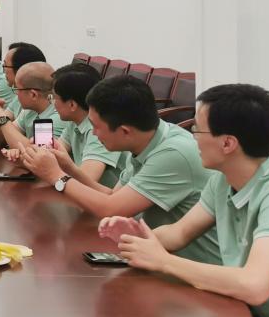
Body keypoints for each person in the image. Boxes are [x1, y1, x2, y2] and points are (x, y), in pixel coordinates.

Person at [109, 84, 269, 317]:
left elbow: (255, 284)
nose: (192, 137)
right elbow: (178, 233)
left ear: (227, 144)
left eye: (198, 130)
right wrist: (136, 237)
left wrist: (164, 262)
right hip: (253, 315)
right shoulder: (223, 180)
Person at [22, 75, 220, 264]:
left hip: (193, 270)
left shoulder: (173, 153)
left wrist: (56, 176)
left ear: (125, 131)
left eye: (96, 127)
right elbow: (112, 196)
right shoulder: (147, 138)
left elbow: (111, 208)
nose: (94, 133)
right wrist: (68, 167)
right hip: (153, 256)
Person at [8, 63, 122, 188]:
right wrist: (26, 158)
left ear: (72, 105)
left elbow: (87, 181)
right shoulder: (74, 122)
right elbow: (50, 158)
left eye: (54, 98)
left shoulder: (99, 129)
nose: (52, 103)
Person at [0, 61, 73, 150]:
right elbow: (1, 140)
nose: (16, 93)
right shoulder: (30, 110)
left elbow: (39, 153)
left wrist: (0, 117)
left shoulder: (58, 116)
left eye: (17, 88)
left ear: (33, 94)